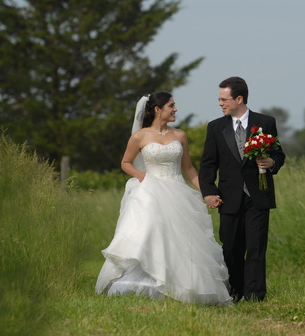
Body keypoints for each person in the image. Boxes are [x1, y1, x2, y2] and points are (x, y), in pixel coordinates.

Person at [95, 91, 232, 306]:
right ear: (158, 109)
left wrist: (207, 192)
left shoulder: (180, 135)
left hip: (177, 192)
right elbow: (125, 163)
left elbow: (189, 169)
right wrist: (140, 175)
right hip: (150, 192)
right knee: (150, 234)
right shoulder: (140, 136)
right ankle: (146, 284)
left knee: (182, 240)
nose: (176, 109)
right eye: (171, 105)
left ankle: (185, 286)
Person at [199, 77, 286, 302]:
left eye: (224, 99)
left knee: (256, 248)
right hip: (228, 198)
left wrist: (271, 162)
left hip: (258, 196)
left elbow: (278, 154)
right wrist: (208, 192)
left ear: (239, 99)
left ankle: (255, 296)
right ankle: (235, 292)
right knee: (230, 248)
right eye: (220, 99)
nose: (220, 103)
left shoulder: (265, 122)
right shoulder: (215, 127)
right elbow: (208, 164)